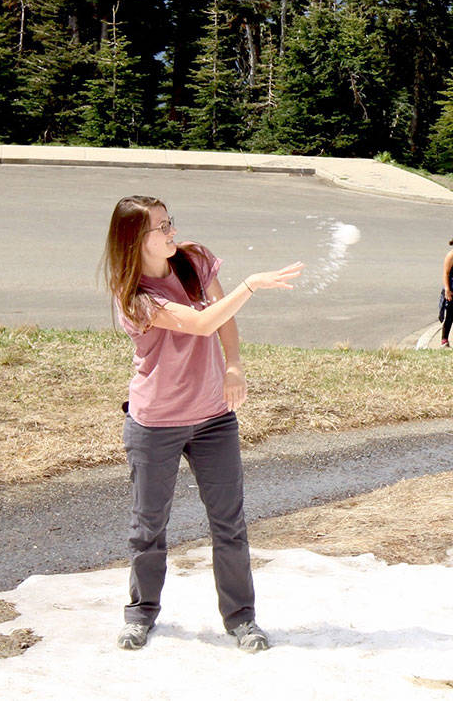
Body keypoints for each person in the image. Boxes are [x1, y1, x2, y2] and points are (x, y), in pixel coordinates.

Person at [102, 196, 303, 652]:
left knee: (229, 523)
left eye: (170, 223)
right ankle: (140, 615)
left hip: (213, 417)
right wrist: (251, 284)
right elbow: (200, 322)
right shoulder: (132, 295)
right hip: (155, 422)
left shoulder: (192, 259)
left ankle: (242, 620)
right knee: (148, 527)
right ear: (135, 238)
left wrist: (234, 365)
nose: (171, 232)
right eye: (161, 227)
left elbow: (221, 319)